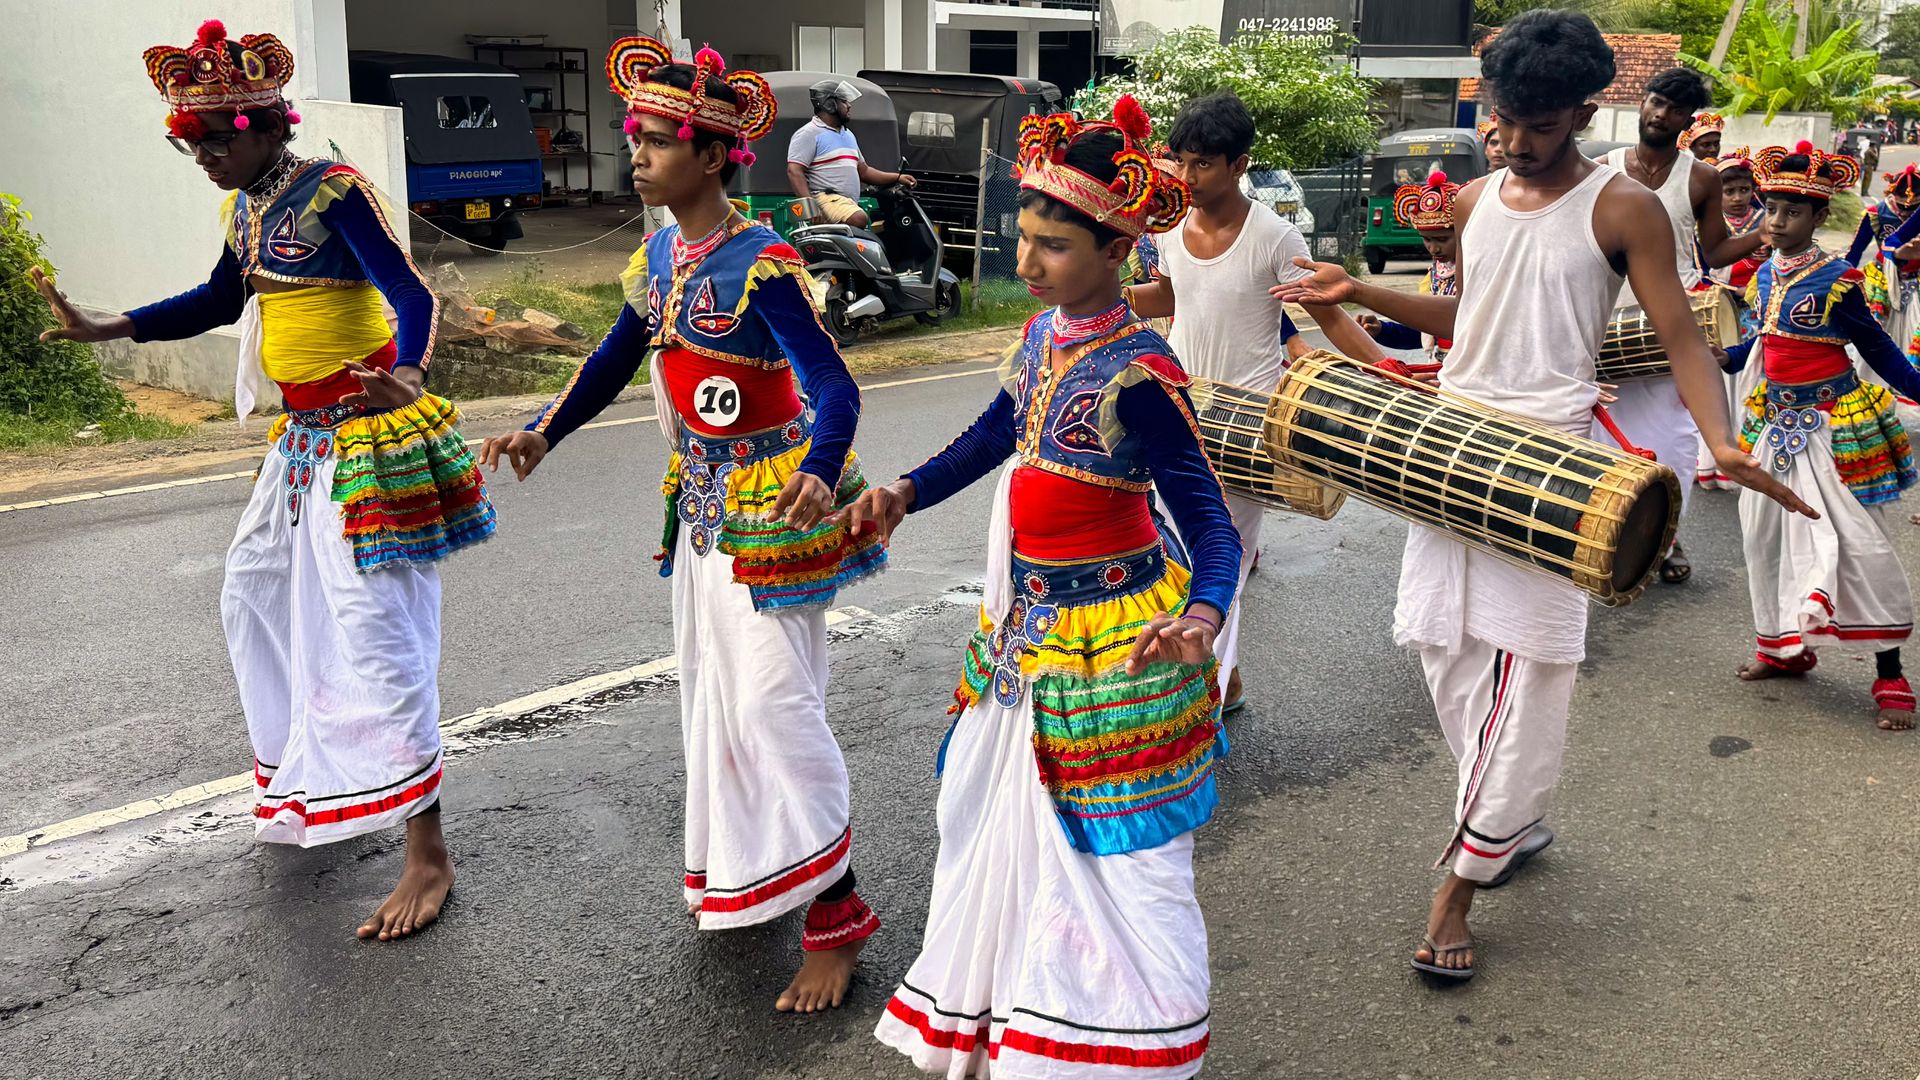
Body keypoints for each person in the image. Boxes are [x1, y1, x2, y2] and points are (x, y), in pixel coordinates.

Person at [1276, 9, 1811, 981]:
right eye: (1505, 119)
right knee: (1439, 648)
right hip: (1452, 448)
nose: (1517, 140)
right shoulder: (1478, 200)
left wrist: (1720, 438)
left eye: (1538, 122)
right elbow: (1467, 317)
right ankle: (1505, 819)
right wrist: (1352, 290)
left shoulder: (1624, 210)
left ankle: (1458, 882)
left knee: (1532, 674)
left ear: (1578, 108)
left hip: (1552, 466)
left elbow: (1682, 336)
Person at [32, 19, 496, 942]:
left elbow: (411, 294)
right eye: (188, 139)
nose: (200, 153)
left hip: (367, 437)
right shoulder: (244, 206)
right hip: (299, 443)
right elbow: (218, 298)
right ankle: (315, 772)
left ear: (265, 123)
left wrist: (409, 368)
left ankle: (427, 850)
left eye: (214, 136)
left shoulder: (333, 190)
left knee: (375, 629)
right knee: (253, 597)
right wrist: (110, 327)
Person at [478, 38, 886, 1012]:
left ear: (712, 155)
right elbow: (621, 354)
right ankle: (760, 873)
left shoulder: (764, 263)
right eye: (637, 139)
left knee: (775, 709)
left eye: (657, 142)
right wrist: (546, 429)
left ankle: (839, 914)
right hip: (701, 507)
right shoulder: (659, 251)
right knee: (717, 702)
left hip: (772, 505)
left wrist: (822, 477)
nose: (639, 156)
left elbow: (834, 390)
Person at [851, 96, 1241, 1075]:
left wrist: (1201, 614)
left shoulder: (1143, 374)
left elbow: (1211, 527)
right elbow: (994, 437)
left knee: (1123, 859)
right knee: (986, 810)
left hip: (1118, 635)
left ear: (1116, 250)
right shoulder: (1041, 341)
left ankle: (1126, 1042)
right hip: (1027, 627)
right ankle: (1021, 1009)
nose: (1025, 263)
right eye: (1023, 238)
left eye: (1053, 245)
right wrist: (906, 489)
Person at [1122, 90, 1386, 713]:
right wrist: (1089, 295)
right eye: (1180, 161)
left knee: (1224, 561)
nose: (1187, 177)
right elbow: (1172, 297)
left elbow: (1329, 313)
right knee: (1169, 551)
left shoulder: (1274, 235)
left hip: (1249, 424)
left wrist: (1390, 369)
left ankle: (1205, 692)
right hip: (1179, 413)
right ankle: (1224, 674)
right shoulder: (1169, 230)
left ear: (1240, 165)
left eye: (1204, 164)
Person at [1723, 143, 1919, 731]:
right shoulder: (1761, 274)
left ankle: (1890, 673)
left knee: (1860, 541)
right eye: (1771, 208)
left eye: (1791, 211)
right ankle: (1782, 648)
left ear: (1816, 217)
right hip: (1774, 423)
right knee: (1764, 538)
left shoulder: (1838, 279)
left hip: (1835, 427)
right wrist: (1722, 356)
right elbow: (1758, 344)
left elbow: (1878, 346)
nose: (1776, 221)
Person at [1596, 66, 1766, 584]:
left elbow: (1713, 251)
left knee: (1671, 441)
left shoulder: (1700, 177)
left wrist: (1768, 233)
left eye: (1672, 109)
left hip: (1672, 326)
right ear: (1643, 101)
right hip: (1605, 325)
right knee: (1602, 438)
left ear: (1687, 120)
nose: (1659, 114)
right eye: (1654, 101)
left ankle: (1663, 537)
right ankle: (1604, 540)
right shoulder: (1601, 168)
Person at [1697, 147, 1771, 489]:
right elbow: (1699, 268)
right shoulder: (1705, 224)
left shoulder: (1766, 223)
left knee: (1748, 388)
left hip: (1754, 318)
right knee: (1713, 390)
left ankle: (1740, 464)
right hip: (1717, 315)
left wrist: (1750, 292)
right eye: (1729, 191)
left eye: (1744, 189)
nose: (1738, 198)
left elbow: (1774, 269)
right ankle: (1709, 463)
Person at [1363, 170, 1463, 364]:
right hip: (1443, 369)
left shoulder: (1481, 273)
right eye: (1427, 239)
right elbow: (1425, 325)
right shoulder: (1436, 275)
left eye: (1443, 239)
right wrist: (1383, 330)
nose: (1433, 248)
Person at [785, 78, 913, 228]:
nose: (849, 105)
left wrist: (898, 178)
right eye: (844, 101)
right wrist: (810, 207)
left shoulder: (848, 135)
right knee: (859, 219)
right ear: (829, 104)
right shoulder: (809, 133)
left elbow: (864, 172)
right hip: (826, 199)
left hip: (846, 204)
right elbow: (794, 171)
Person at [1846, 164, 1920, 377]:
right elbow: (1855, 253)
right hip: (1881, 282)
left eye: (1913, 209)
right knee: (1875, 337)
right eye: (1902, 207)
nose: (1906, 214)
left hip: (1916, 282)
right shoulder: (1876, 214)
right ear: (1891, 196)